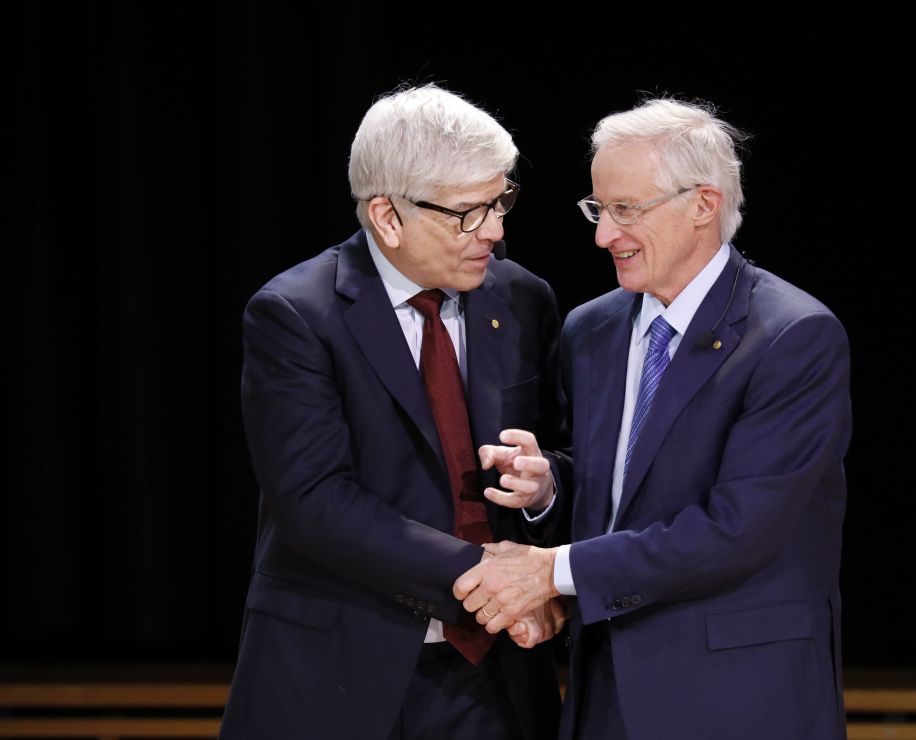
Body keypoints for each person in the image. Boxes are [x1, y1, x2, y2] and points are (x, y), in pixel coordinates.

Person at [455, 97, 852, 739]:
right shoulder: (592, 329)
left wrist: (550, 571)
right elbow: (624, 488)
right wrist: (550, 486)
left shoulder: (793, 337)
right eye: (598, 208)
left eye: (626, 210)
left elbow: (738, 530)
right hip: (607, 693)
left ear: (704, 204)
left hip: (740, 699)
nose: (603, 235)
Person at [221, 83, 570, 740]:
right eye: (468, 212)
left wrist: (544, 484)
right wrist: (491, 579)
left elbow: (566, 449)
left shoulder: (524, 298)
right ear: (386, 216)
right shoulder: (297, 314)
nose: (494, 231)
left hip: (500, 680)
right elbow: (314, 499)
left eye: (501, 202)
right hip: (342, 671)